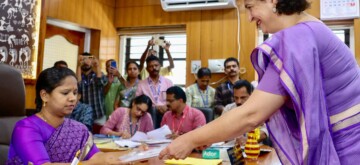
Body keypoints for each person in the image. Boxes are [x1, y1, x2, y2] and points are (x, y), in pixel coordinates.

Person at [159, 0, 360, 164]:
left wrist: (190, 139)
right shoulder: (311, 27)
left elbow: (251, 115)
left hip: (346, 152)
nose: (249, 18)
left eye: (250, 7)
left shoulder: (297, 37)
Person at [7, 67, 123, 165]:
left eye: (75, 92)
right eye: (65, 93)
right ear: (44, 95)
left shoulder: (79, 129)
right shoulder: (26, 128)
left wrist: (133, 154)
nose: (73, 98)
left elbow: (97, 157)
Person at [136, 55, 173, 128]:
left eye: (156, 65)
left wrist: (167, 106)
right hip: (149, 112)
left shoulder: (168, 82)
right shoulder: (141, 84)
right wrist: (155, 107)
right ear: (147, 69)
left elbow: (173, 98)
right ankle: (152, 135)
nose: (154, 68)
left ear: (160, 66)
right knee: (153, 110)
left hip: (166, 110)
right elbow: (138, 101)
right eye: (151, 66)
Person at [77, 52, 107, 132]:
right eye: (83, 59)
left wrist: (97, 66)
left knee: (101, 137)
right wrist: (79, 65)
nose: (86, 62)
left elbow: (100, 82)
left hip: (98, 114)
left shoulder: (98, 74)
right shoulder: (77, 75)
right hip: (83, 114)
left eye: (88, 59)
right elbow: (77, 87)